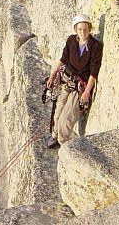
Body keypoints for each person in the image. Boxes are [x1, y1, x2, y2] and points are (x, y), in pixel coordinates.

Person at [45, 13, 103, 148]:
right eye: (80, 29)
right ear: (75, 30)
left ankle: (63, 142)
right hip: (68, 82)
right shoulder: (71, 41)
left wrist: (87, 92)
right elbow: (64, 58)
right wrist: (53, 74)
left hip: (80, 86)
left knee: (67, 117)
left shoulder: (95, 46)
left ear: (89, 28)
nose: (83, 32)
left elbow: (94, 72)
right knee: (58, 111)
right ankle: (54, 135)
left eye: (85, 28)